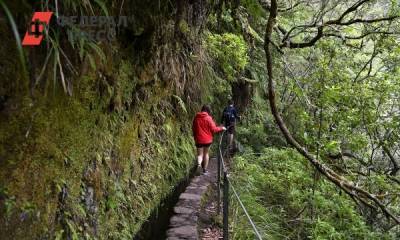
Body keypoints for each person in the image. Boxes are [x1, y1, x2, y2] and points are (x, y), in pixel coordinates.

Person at [192, 105, 226, 174]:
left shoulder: (196, 118)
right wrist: (221, 128)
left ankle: (199, 165)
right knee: (206, 153)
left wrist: (195, 136)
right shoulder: (209, 118)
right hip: (207, 140)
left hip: (199, 139)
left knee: (200, 155)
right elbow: (214, 129)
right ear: (208, 111)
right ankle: (204, 170)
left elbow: (193, 128)